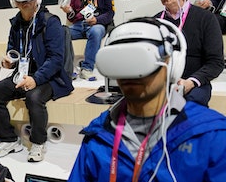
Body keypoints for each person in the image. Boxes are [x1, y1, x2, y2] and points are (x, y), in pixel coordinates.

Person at [68, 17, 226, 181]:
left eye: (140, 60)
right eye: (121, 61)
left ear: (171, 63)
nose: (130, 72)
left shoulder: (212, 135)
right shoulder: (98, 136)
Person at [0, 0, 74, 162]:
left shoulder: (51, 22)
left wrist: (36, 79)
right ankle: (8, 139)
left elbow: (56, 59)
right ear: (14, 1)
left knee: (34, 97)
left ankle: (38, 142)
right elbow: (14, 50)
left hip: (51, 77)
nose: (25, 3)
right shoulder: (16, 24)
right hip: (22, 74)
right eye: (21, 0)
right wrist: (9, 61)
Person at [146, 0, 224, 106]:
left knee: (186, 107)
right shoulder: (155, 22)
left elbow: (216, 63)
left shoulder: (206, 19)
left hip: (193, 85)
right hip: (161, 83)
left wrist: (191, 82)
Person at [60, 0, 115, 80]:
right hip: (79, 25)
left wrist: (97, 19)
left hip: (98, 24)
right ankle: (68, 69)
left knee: (96, 31)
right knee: (62, 32)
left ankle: (87, 68)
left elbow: (110, 13)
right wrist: (69, 12)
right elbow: (73, 17)